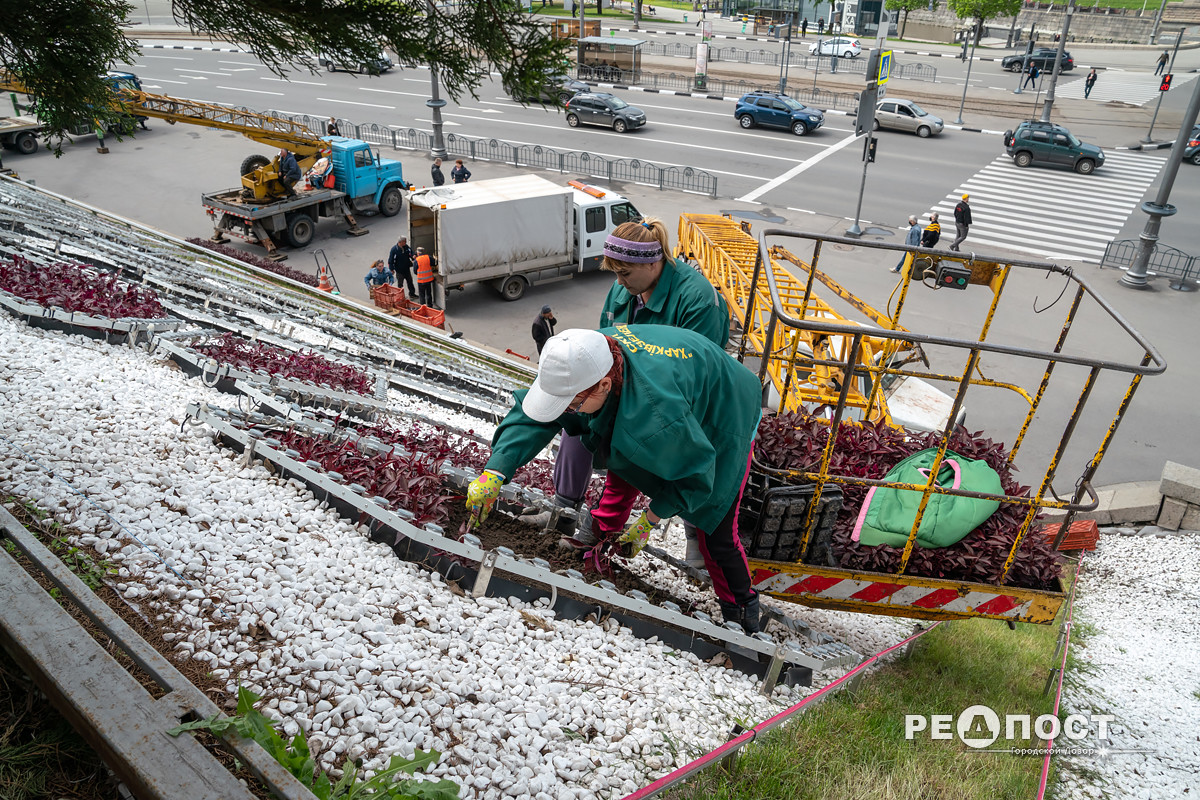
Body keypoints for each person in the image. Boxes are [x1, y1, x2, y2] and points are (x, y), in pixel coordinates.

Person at [466, 325, 765, 634]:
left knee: (713, 524)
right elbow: (534, 416)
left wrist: (649, 520)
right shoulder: (580, 356)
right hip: (675, 377)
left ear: (605, 386)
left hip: (727, 407)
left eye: (572, 405)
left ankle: (741, 610)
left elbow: (698, 475)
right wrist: (495, 471)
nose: (568, 412)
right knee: (626, 445)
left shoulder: (658, 415)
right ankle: (600, 532)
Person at [519, 218, 730, 569]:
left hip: (681, 399)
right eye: (614, 274)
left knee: (681, 460)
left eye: (625, 274)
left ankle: (696, 539)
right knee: (578, 418)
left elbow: (699, 374)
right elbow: (605, 345)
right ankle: (564, 507)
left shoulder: (698, 300)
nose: (618, 283)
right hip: (624, 385)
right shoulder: (624, 290)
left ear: (652, 262)